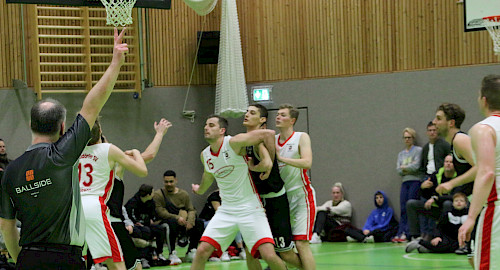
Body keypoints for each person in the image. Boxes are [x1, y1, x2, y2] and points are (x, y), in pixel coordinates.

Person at [0, 28, 127, 269]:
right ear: (62, 127)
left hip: (27, 258)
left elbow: (6, 227)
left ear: (30, 124)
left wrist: (21, 261)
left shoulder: (10, 171)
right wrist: (115, 63)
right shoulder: (62, 155)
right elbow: (91, 106)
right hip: (64, 259)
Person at [190, 115, 286, 270]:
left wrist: (270, 165)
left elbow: (268, 134)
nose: (206, 128)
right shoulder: (205, 155)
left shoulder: (234, 142)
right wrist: (199, 190)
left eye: (211, 125)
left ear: (222, 130)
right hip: (226, 211)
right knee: (201, 251)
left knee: (269, 255)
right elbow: (208, 175)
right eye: (205, 125)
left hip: (250, 209)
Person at [79, 117, 148, 270]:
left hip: (74, 209)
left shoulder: (75, 150)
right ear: (101, 131)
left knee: (80, 262)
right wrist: (136, 152)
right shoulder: (108, 149)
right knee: (117, 263)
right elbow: (142, 171)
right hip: (94, 207)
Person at [104, 118, 171, 270]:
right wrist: (160, 133)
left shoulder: (79, 161)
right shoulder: (115, 162)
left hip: (86, 222)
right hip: (111, 222)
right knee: (134, 267)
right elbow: (149, 155)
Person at [242, 104, 302, 269]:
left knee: (285, 254)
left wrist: (255, 167)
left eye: (252, 113)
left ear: (262, 120)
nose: (246, 114)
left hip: (275, 201)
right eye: (247, 111)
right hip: (257, 202)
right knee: (250, 250)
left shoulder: (261, 139)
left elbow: (267, 162)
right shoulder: (246, 140)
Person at [459, 74, 500, 269]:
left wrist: (471, 218)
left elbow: (487, 173)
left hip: (496, 210)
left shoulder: (483, 129)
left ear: (484, 99)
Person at [275, 104, 316, 270]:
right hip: (282, 200)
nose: (278, 117)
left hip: (301, 196)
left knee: (301, 243)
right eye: (277, 114)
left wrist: (281, 158)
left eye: (283, 115)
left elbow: (307, 162)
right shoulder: (273, 140)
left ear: (292, 120)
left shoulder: (301, 137)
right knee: (283, 249)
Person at [153, 170, 204, 265]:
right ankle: (172, 252)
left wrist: (190, 221)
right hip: (167, 221)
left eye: (171, 181)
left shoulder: (183, 194)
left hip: (184, 221)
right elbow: (161, 212)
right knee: (171, 223)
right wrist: (177, 218)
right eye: (166, 182)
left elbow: (191, 209)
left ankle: (191, 250)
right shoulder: (158, 194)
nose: (168, 184)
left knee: (199, 222)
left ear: (176, 180)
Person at [407, 154, 456, 242]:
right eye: (446, 162)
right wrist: (422, 188)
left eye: (451, 162)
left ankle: (444, 237)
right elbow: (425, 195)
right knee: (411, 204)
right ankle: (415, 237)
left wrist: (435, 198)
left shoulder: (458, 177)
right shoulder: (436, 175)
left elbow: (456, 197)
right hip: (435, 209)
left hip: (452, 211)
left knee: (447, 204)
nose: (448, 164)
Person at [125, 184, 169, 267]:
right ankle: (143, 257)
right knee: (144, 231)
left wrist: (152, 220)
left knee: (160, 229)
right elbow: (130, 217)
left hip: (146, 225)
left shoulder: (151, 202)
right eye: (152, 192)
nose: (154, 194)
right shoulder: (132, 203)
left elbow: (153, 216)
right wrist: (136, 222)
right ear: (148, 195)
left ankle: (159, 253)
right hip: (134, 226)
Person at [198, 190, 245, 262]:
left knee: (235, 223)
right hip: (207, 221)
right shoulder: (214, 196)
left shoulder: (231, 196)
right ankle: (223, 251)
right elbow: (219, 212)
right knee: (223, 224)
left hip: (225, 220)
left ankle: (241, 250)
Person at [394, 127, 423, 242]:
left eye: (409, 137)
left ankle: (410, 233)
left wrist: (404, 167)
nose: (407, 140)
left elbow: (416, 167)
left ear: (413, 138)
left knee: (411, 206)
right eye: (405, 138)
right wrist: (407, 168)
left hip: (415, 181)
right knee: (403, 208)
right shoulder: (401, 154)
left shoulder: (418, 150)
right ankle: (401, 232)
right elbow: (398, 170)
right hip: (405, 182)